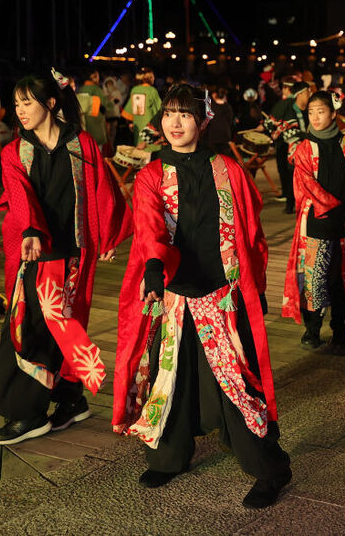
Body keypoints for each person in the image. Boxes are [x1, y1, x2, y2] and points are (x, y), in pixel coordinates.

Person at [112, 84, 290, 507]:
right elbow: (150, 226)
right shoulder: (151, 174)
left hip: (221, 295)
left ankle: (269, 469)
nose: (175, 123)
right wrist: (154, 267)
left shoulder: (228, 169)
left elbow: (252, 234)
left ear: (203, 120)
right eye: (169, 114)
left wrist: (255, 287)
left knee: (235, 382)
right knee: (168, 378)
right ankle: (169, 457)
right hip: (174, 295)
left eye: (185, 114)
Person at [0, 69, 132, 445]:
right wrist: (32, 229)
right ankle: (30, 411)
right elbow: (19, 197)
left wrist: (109, 236)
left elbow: (105, 191)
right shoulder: (14, 151)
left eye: (27, 102)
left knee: (64, 325)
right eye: (16, 103)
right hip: (36, 253)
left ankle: (66, 401)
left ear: (50, 104)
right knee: (29, 329)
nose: (19, 111)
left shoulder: (82, 145)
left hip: (75, 255)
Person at [282, 90, 345, 355]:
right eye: (311, 112)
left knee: (342, 280)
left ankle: (340, 330)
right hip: (317, 224)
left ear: (333, 114)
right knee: (314, 280)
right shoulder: (303, 149)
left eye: (321, 111)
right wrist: (340, 214)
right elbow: (306, 188)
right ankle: (312, 329)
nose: (315, 117)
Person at [267, 81, 309, 214]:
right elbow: (288, 134)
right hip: (294, 151)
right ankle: (290, 204)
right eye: (307, 92)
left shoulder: (309, 110)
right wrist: (307, 135)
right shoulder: (290, 109)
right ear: (300, 94)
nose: (309, 95)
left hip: (307, 150)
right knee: (292, 177)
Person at [121, 67, 163, 147]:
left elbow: (129, 110)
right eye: (152, 76)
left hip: (137, 125)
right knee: (151, 150)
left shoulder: (134, 89)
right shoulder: (152, 90)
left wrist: (130, 123)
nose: (154, 78)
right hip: (150, 126)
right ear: (148, 78)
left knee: (139, 151)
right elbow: (160, 109)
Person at [77, 69, 109, 149]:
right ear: (94, 77)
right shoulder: (97, 89)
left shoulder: (81, 89)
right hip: (96, 124)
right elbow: (104, 107)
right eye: (97, 76)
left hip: (84, 122)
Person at [203, 86, 236, 154]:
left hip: (213, 135)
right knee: (224, 159)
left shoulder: (211, 106)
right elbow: (230, 122)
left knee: (212, 158)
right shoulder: (228, 107)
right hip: (225, 136)